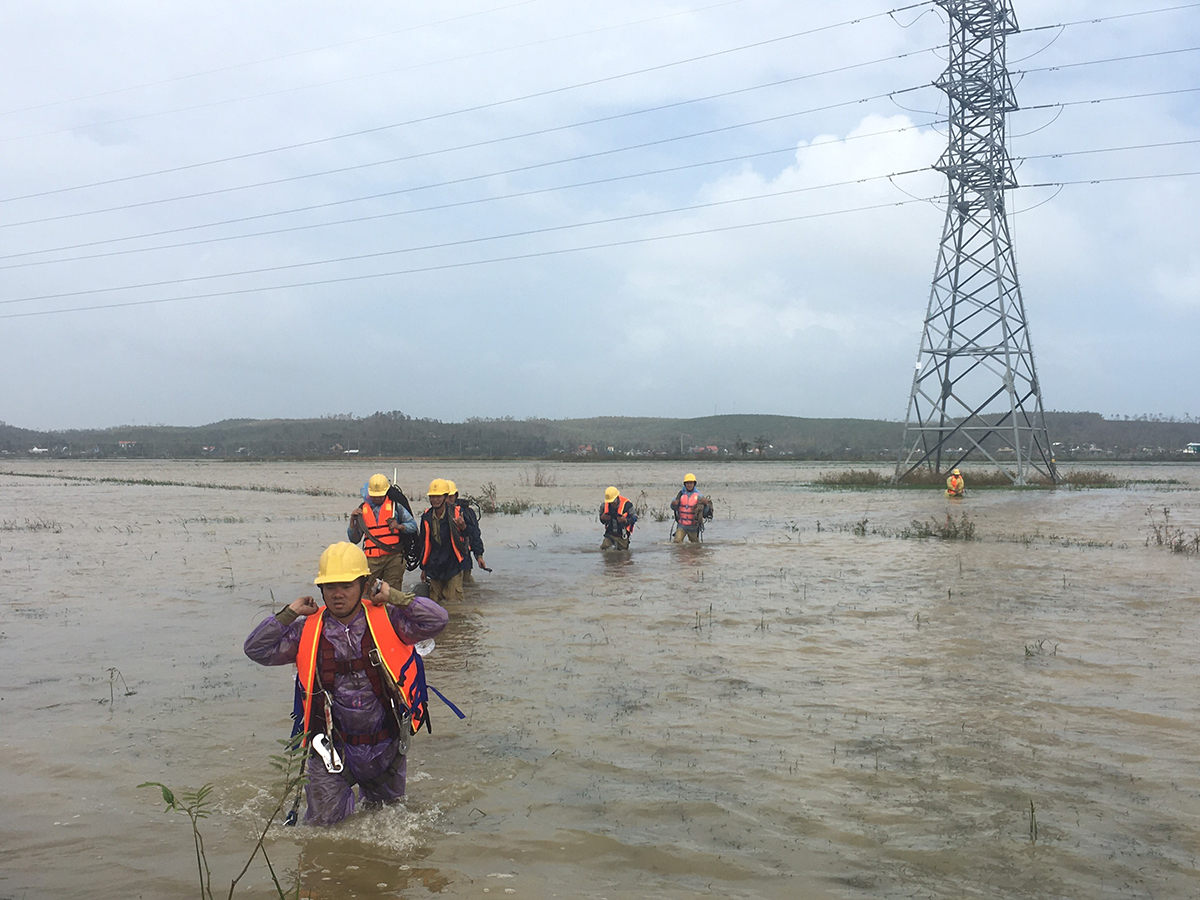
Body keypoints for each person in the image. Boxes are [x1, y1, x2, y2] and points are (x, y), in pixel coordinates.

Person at [243, 542, 448, 826]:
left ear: (364, 585)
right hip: (330, 750)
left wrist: (393, 596)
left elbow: (438, 620)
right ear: (321, 590)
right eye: (329, 587)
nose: (337, 594)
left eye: (346, 585)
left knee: (387, 826)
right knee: (324, 835)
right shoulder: (306, 630)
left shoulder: (389, 620)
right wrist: (289, 613)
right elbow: (256, 649)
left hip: (385, 746)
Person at [347, 473, 418, 590]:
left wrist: (399, 526)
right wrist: (352, 522)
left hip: (394, 557)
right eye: (374, 496)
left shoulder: (396, 507)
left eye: (380, 495)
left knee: (393, 593)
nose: (377, 498)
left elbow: (413, 526)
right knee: (367, 592)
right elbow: (354, 539)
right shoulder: (362, 510)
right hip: (371, 560)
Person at [419, 479, 469, 603]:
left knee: (454, 602)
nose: (435, 500)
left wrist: (463, 527)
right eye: (432, 496)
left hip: (453, 565)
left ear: (446, 497)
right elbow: (424, 544)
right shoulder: (426, 516)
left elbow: (471, 534)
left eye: (438, 496)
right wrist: (423, 568)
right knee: (434, 603)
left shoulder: (458, 514)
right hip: (435, 567)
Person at [446, 480, 486, 585]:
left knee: (467, 587)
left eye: (451, 496)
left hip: (464, 559)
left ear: (456, 496)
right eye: (446, 497)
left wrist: (479, 556)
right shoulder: (435, 514)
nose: (448, 500)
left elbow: (475, 535)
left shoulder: (467, 513)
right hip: (444, 561)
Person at [670, 473, 713, 543]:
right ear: (685, 484)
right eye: (687, 483)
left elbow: (704, 513)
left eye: (691, 483)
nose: (689, 485)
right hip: (681, 525)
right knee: (677, 541)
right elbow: (673, 507)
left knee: (695, 545)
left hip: (693, 526)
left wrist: (706, 505)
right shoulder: (680, 495)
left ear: (694, 484)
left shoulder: (699, 496)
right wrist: (673, 504)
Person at [599, 486, 637, 551]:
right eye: (610, 502)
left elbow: (635, 518)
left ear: (617, 498)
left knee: (623, 554)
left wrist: (625, 520)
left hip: (622, 535)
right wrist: (602, 518)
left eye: (613, 502)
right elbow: (602, 521)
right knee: (604, 548)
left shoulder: (627, 505)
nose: (612, 504)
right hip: (610, 534)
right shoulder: (604, 506)